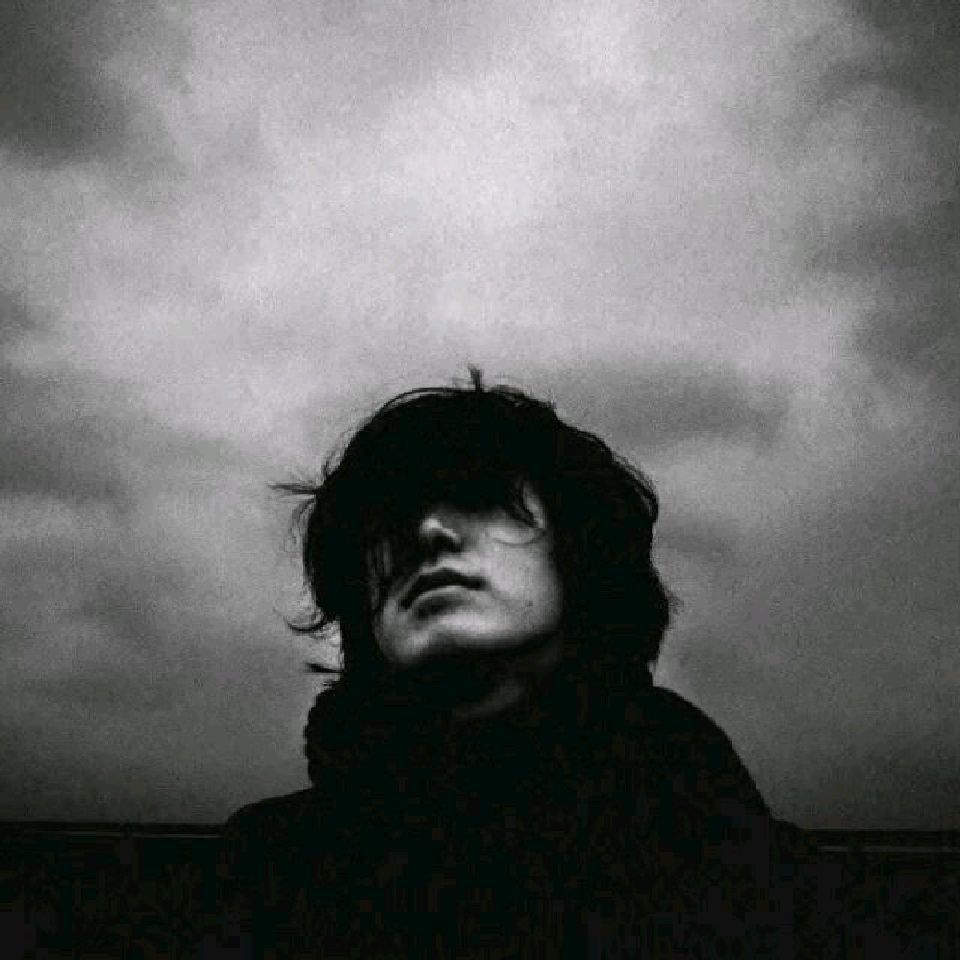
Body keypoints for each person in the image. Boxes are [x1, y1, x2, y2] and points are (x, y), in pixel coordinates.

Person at [214, 371, 797, 958]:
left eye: (478, 499)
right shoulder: (264, 873)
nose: (427, 532)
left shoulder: (760, 875)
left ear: (579, 545)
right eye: (385, 524)